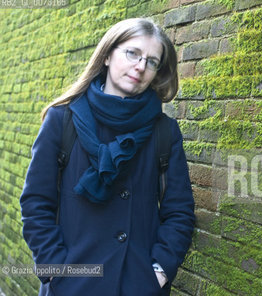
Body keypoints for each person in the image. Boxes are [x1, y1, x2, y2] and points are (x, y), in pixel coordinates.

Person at [20, 18, 195, 296]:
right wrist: (55, 272)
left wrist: (158, 273)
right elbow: (36, 204)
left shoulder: (164, 132)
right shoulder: (61, 120)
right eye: (132, 53)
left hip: (137, 286)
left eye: (151, 62)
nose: (140, 66)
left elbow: (180, 212)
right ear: (107, 55)